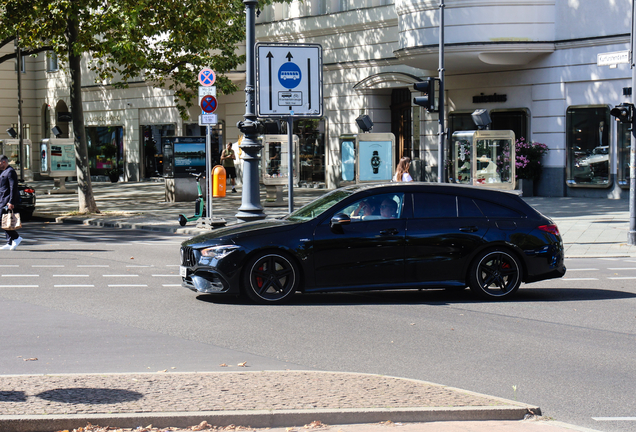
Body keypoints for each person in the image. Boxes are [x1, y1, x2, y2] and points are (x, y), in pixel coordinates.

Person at [0, 155, 22, 250]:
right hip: (2, 199)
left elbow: (13, 188)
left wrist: (11, 202)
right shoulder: (3, 172)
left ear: (3, 162)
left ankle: (16, 237)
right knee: (6, 220)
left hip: (7, 200)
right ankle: (9, 242)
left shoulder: (10, 172)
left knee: (2, 220)